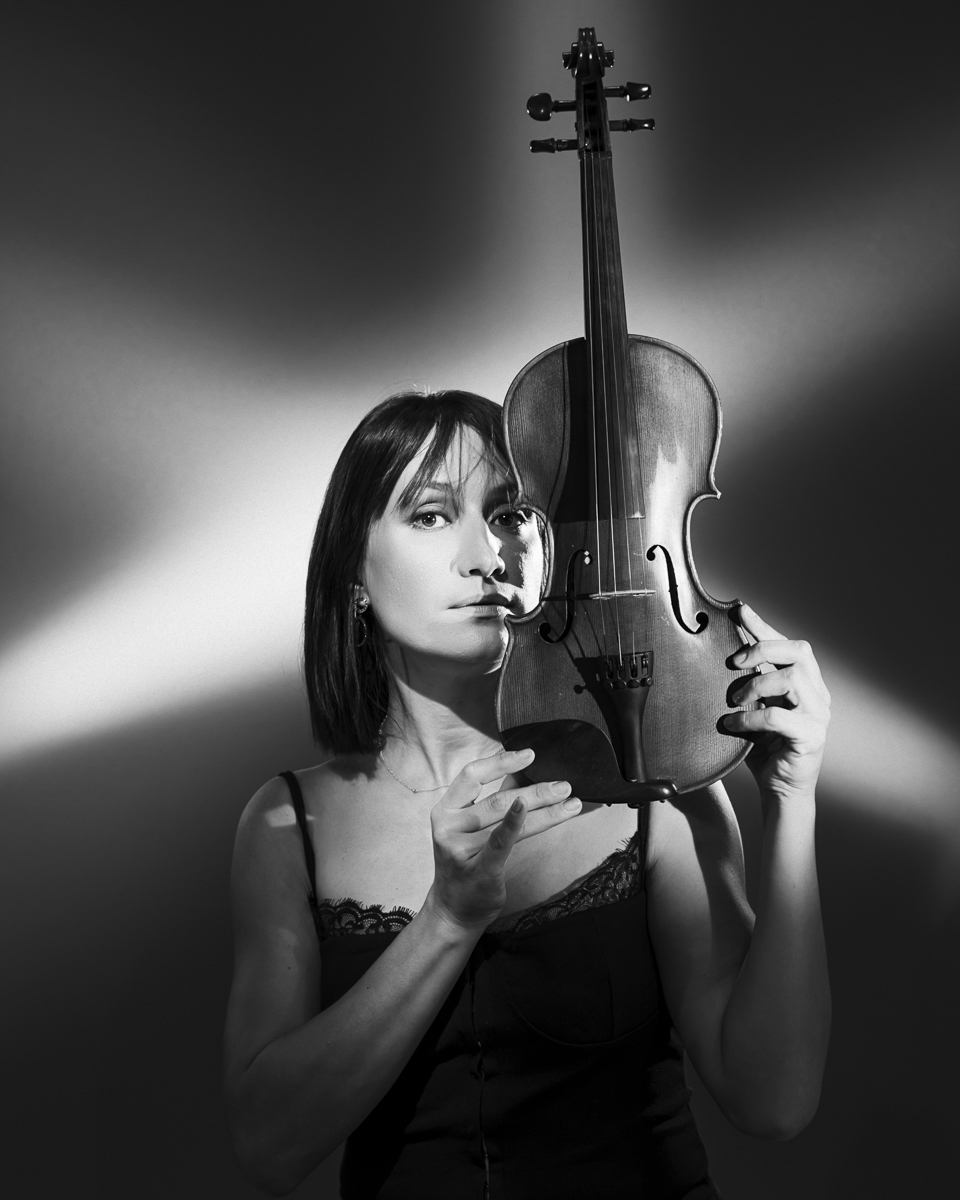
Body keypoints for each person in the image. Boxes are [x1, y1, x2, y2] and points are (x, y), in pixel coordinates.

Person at [223, 390, 831, 1199]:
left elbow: (773, 1100)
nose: (488, 553)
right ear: (353, 575)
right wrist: (448, 919)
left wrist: (792, 799)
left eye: (510, 514)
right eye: (433, 516)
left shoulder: (652, 783)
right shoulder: (285, 823)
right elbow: (268, 1146)